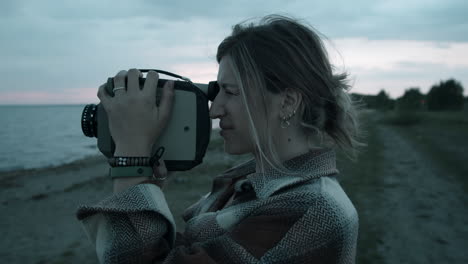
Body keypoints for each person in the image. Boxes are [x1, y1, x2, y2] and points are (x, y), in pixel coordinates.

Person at [76, 14, 366, 264]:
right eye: (217, 93)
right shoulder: (247, 184)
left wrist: (131, 159)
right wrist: (146, 187)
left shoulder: (309, 209)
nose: (214, 110)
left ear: (287, 102)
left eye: (232, 92)